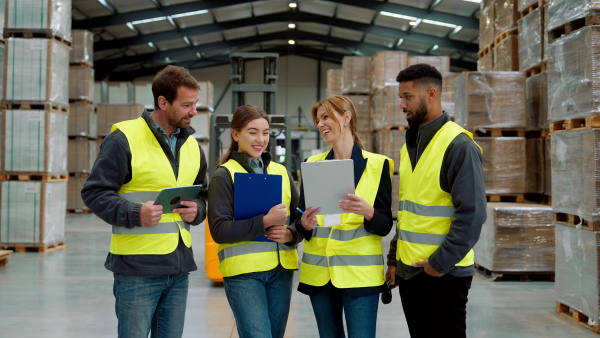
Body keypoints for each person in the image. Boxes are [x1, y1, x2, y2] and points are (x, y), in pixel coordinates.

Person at [81, 65, 208, 338]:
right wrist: (135, 213)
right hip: (137, 270)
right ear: (163, 102)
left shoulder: (193, 147)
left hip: (179, 267)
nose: (194, 111)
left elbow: (202, 194)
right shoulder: (124, 139)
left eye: (195, 104)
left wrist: (198, 210)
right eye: (187, 104)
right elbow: (94, 192)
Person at [385, 63, 487, 338]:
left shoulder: (459, 145)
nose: (402, 105)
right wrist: (394, 258)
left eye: (407, 97)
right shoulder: (410, 146)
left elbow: (473, 213)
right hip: (411, 273)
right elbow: (406, 210)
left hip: (444, 275)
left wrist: (439, 264)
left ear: (431, 93)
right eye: (400, 98)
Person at [297, 95, 394, 338]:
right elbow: (299, 222)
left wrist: (369, 213)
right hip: (320, 275)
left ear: (346, 117)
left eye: (326, 117)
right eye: (318, 120)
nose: (320, 124)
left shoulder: (378, 165)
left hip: (360, 277)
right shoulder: (312, 164)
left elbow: (384, 225)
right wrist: (304, 225)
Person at [207, 104, 302, 338]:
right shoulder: (224, 175)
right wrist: (265, 221)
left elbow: (298, 216)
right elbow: (219, 230)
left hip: (281, 271)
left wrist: (291, 234)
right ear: (236, 134)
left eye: (266, 132)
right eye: (252, 132)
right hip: (244, 274)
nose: (261, 139)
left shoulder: (280, 172)